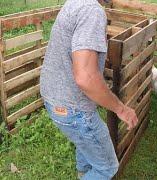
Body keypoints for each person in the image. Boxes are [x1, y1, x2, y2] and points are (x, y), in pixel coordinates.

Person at [40, 0, 138, 179]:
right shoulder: (92, 11)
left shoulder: (76, 2)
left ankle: (84, 174)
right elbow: (86, 77)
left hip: (54, 98)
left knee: (86, 143)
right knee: (107, 168)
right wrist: (121, 109)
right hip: (73, 109)